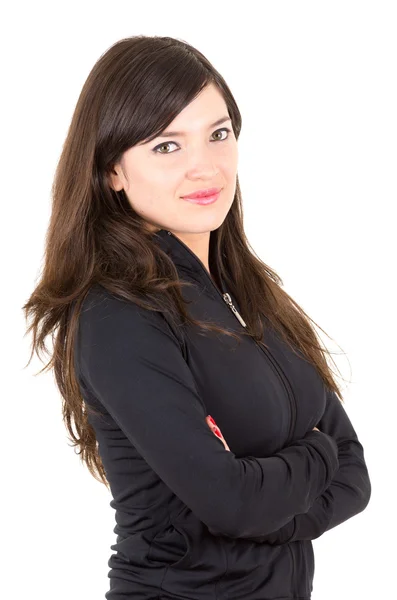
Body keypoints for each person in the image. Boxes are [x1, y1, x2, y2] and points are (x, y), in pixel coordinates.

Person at [23, 35, 371, 599]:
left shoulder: (250, 294)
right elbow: (232, 500)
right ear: (113, 169)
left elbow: (355, 477)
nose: (204, 167)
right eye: (167, 146)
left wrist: (264, 510)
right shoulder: (118, 316)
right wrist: (315, 455)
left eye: (218, 134)